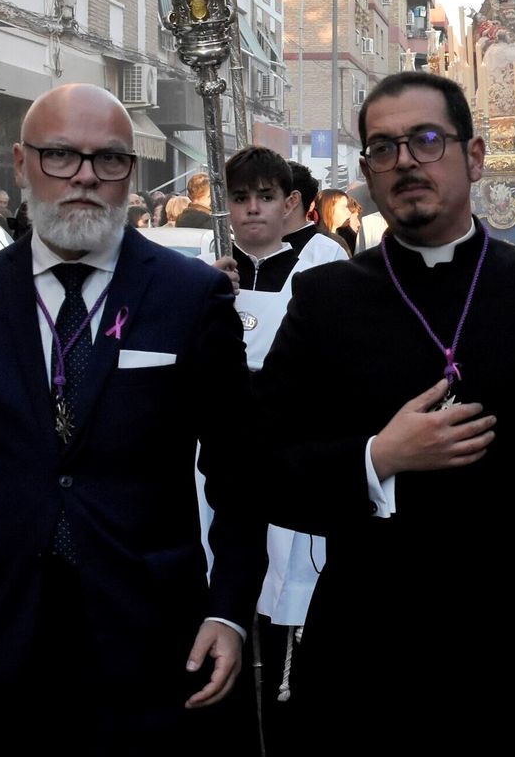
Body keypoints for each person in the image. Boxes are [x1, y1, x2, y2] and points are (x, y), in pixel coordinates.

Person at [252, 72, 515, 751]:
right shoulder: (327, 298)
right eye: (383, 149)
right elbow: (258, 464)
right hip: (374, 646)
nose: (405, 162)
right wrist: (376, 458)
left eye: (425, 140)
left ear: (473, 157)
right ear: (366, 171)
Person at [0, 84, 261, 755]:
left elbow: (240, 472)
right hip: (10, 634)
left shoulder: (189, 296)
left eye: (108, 160)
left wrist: (229, 608)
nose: (83, 176)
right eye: (60, 156)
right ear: (21, 163)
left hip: (153, 634)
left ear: (130, 175)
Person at [207, 146, 343, 752]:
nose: (252, 210)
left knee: (293, 597)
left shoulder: (322, 265)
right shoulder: (209, 270)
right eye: (240, 198)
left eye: (265, 197)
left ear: (291, 203)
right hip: (221, 456)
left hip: (293, 447)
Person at [283, 161, 350, 263]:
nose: (254, 207)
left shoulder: (330, 253)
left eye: (267, 197)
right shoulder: (256, 246)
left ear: (293, 200)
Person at [317, 188, 357, 255]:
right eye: (343, 207)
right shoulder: (318, 240)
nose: (349, 212)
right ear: (327, 209)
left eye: (347, 207)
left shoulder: (348, 236)